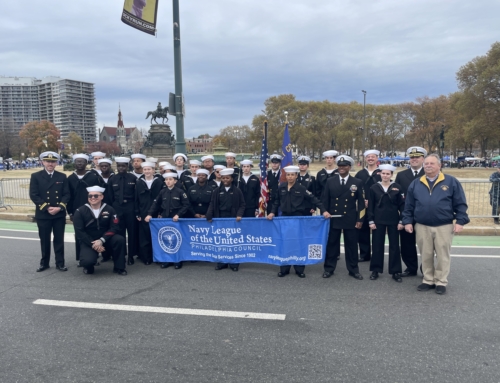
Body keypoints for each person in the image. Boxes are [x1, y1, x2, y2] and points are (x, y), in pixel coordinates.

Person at [402, 154, 470, 295]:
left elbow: (460, 203)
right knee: (425, 254)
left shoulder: (451, 182)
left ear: (439, 166)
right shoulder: (416, 183)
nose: (428, 166)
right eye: (426, 163)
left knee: (442, 255)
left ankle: (440, 281)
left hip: (443, 225)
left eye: (432, 163)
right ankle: (428, 280)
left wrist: (460, 221)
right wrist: (407, 221)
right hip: (422, 225)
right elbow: (408, 205)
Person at [267, 165, 330, 278]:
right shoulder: (281, 187)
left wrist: (324, 211)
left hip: (297, 219)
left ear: (296, 176)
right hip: (285, 219)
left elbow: (314, 199)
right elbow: (276, 201)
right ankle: (284, 268)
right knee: (285, 242)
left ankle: (299, 268)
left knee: (298, 243)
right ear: (286, 176)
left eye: (292, 175)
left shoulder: (301, 188)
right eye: (288, 175)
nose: (290, 177)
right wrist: (272, 212)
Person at [321, 155, 365, 280]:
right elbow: (325, 200)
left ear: (349, 167)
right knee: (332, 245)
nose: (341, 168)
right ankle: (329, 268)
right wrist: (324, 212)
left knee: (351, 245)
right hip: (334, 217)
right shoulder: (330, 181)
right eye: (339, 166)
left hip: (350, 218)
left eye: (344, 166)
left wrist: (360, 219)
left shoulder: (357, 182)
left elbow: (361, 203)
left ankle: (353, 270)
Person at [29, 151, 70, 272]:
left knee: (59, 239)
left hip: (58, 214)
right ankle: (44, 263)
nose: (50, 164)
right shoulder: (36, 176)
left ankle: (60, 263)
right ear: (43, 162)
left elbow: (66, 194)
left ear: (56, 163)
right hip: (43, 214)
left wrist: (59, 207)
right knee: (45, 240)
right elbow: (34, 194)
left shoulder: (62, 176)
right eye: (47, 161)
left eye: (53, 162)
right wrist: (46, 207)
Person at [72, 186, 127, 276]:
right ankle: (88, 267)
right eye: (90, 196)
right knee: (87, 261)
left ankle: (119, 267)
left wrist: (102, 240)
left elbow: (115, 227)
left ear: (102, 197)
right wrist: (93, 244)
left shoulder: (110, 209)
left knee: (119, 239)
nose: (93, 198)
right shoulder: (80, 211)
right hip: (89, 241)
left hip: (105, 238)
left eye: (96, 196)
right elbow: (79, 232)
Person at [145, 172, 190, 269]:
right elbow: (156, 204)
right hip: (165, 216)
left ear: (175, 181)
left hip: (176, 217)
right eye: (166, 180)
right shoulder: (162, 192)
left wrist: (179, 214)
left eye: (170, 179)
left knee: (177, 239)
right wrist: (149, 214)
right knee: (166, 238)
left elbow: (186, 205)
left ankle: (178, 260)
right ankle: (167, 260)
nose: (168, 181)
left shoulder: (180, 191)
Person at [367, 164, 404, 282]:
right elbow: (370, 206)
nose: (385, 176)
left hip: (394, 220)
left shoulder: (397, 187)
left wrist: (401, 220)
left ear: (392, 175)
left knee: (394, 246)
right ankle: (375, 270)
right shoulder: (374, 187)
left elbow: (402, 205)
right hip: (378, 220)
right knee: (377, 245)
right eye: (383, 173)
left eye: (388, 174)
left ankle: (396, 271)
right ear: (380, 174)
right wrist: (371, 220)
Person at [394, 146, 426, 277]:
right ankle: (411, 268)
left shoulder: (428, 173)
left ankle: (426, 270)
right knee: (407, 244)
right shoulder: (401, 175)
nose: (414, 160)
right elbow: (397, 196)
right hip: (406, 214)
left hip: (424, 215)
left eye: (417, 157)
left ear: (423, 158)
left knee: (426, 246)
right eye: (412, 157)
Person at [206, 168, 245, 271]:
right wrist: (209, 215)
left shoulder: (237, 191)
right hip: (220, 218)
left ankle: (234, 263)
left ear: (231, 179)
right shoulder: (217, 191)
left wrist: (239, 214)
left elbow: (242, 204)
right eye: (223, 178)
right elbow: (212, 204)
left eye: (227, 178)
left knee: (233, 242)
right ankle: (222, 262)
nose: (225, 180)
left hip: (233, 219)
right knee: (221, 241)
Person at [68, 153, 104, 265]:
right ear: (74, 163)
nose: (79, 163)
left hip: (92, 210)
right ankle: (80, 257)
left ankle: (95, 256)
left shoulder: (93, 177)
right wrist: (70, 212)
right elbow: (68, 196)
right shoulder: (70, 178)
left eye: (82, 161)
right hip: (76, 211)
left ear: (86, 163)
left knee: (93, 233)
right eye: (77, 161)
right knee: (79, 234)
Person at [107, 157, 138, 265]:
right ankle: (121, 255)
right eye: (119, 166)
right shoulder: (112, 179)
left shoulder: (133, 178)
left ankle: (131, 255)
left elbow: (136, 195)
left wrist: (135, 209)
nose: (121, 168)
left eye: (123, 166)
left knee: (132, 232)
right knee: (119, 233)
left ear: (127, 166)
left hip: (130, 207)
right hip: (117, 208)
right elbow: (110, 196)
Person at [135, 161, 164, 265]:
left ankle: (156, 257)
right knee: (144, 236)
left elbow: (162, 199)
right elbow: (136, 198)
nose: (147, 171)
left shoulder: (159, 182)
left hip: (156, 212)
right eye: (145, 169)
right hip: (143, 211)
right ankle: (146, 257)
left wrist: (160, 211)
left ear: (153, 170)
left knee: (156, 235)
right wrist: (137, 212)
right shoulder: (139, 182)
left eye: (149, 169)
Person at [355, 149, 382, 262]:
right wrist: (361, 201)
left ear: (377, 158)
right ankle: (364, 254)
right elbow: (354, 189)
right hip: (363, 206)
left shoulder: (382, 172)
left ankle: (377, 254)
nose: (370, 159)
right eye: (368, 157)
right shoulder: (360, 174)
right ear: (365, 159)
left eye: (373, 157)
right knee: (363, 230)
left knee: (378, 230)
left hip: (378, 206)